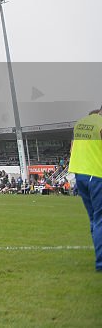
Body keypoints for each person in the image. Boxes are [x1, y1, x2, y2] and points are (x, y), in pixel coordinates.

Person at [68, 106, 102, 271]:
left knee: (94, 219)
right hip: (97, 174)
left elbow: (72, 148)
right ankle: (101, 263)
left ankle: (99, 254)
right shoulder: (100, 124)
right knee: (100, 219)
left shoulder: (80, 124)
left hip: (80, 175)